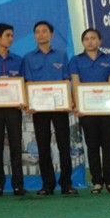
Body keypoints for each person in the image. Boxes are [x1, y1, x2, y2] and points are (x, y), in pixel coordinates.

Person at [22, 21, 77, 195]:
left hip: (59, 108)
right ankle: (48, 184)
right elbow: (28, 83)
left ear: (51, 35)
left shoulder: (61, 55)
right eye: (37, 32)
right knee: (43, 146)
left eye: (44, 31)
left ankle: (66, 184)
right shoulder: (28, 58)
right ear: (34, 36)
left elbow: (66, 81)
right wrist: (30, 103)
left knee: (64, 145)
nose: (41, 34)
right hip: (39, 109)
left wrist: (68, 101)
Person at [70, 28, 110, 194]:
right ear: (82, 42)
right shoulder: (76, 60)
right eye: (86, 39)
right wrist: (79, 107)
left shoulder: (108, 59)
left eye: (93, 38)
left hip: (107, 112)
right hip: (87, 112)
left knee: (108, 146)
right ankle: (97, 182)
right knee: (92, 147)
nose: (90, 41)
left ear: (100, 41)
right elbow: (76, 84)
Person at [0, 23, 27, 197]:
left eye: (12, 35)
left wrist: (22, 100)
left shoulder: (18, 60)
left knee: (16, 146)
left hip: (14, 109)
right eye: (8, 35)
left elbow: (24, 84)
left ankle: (18, 185)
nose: (11, 38)